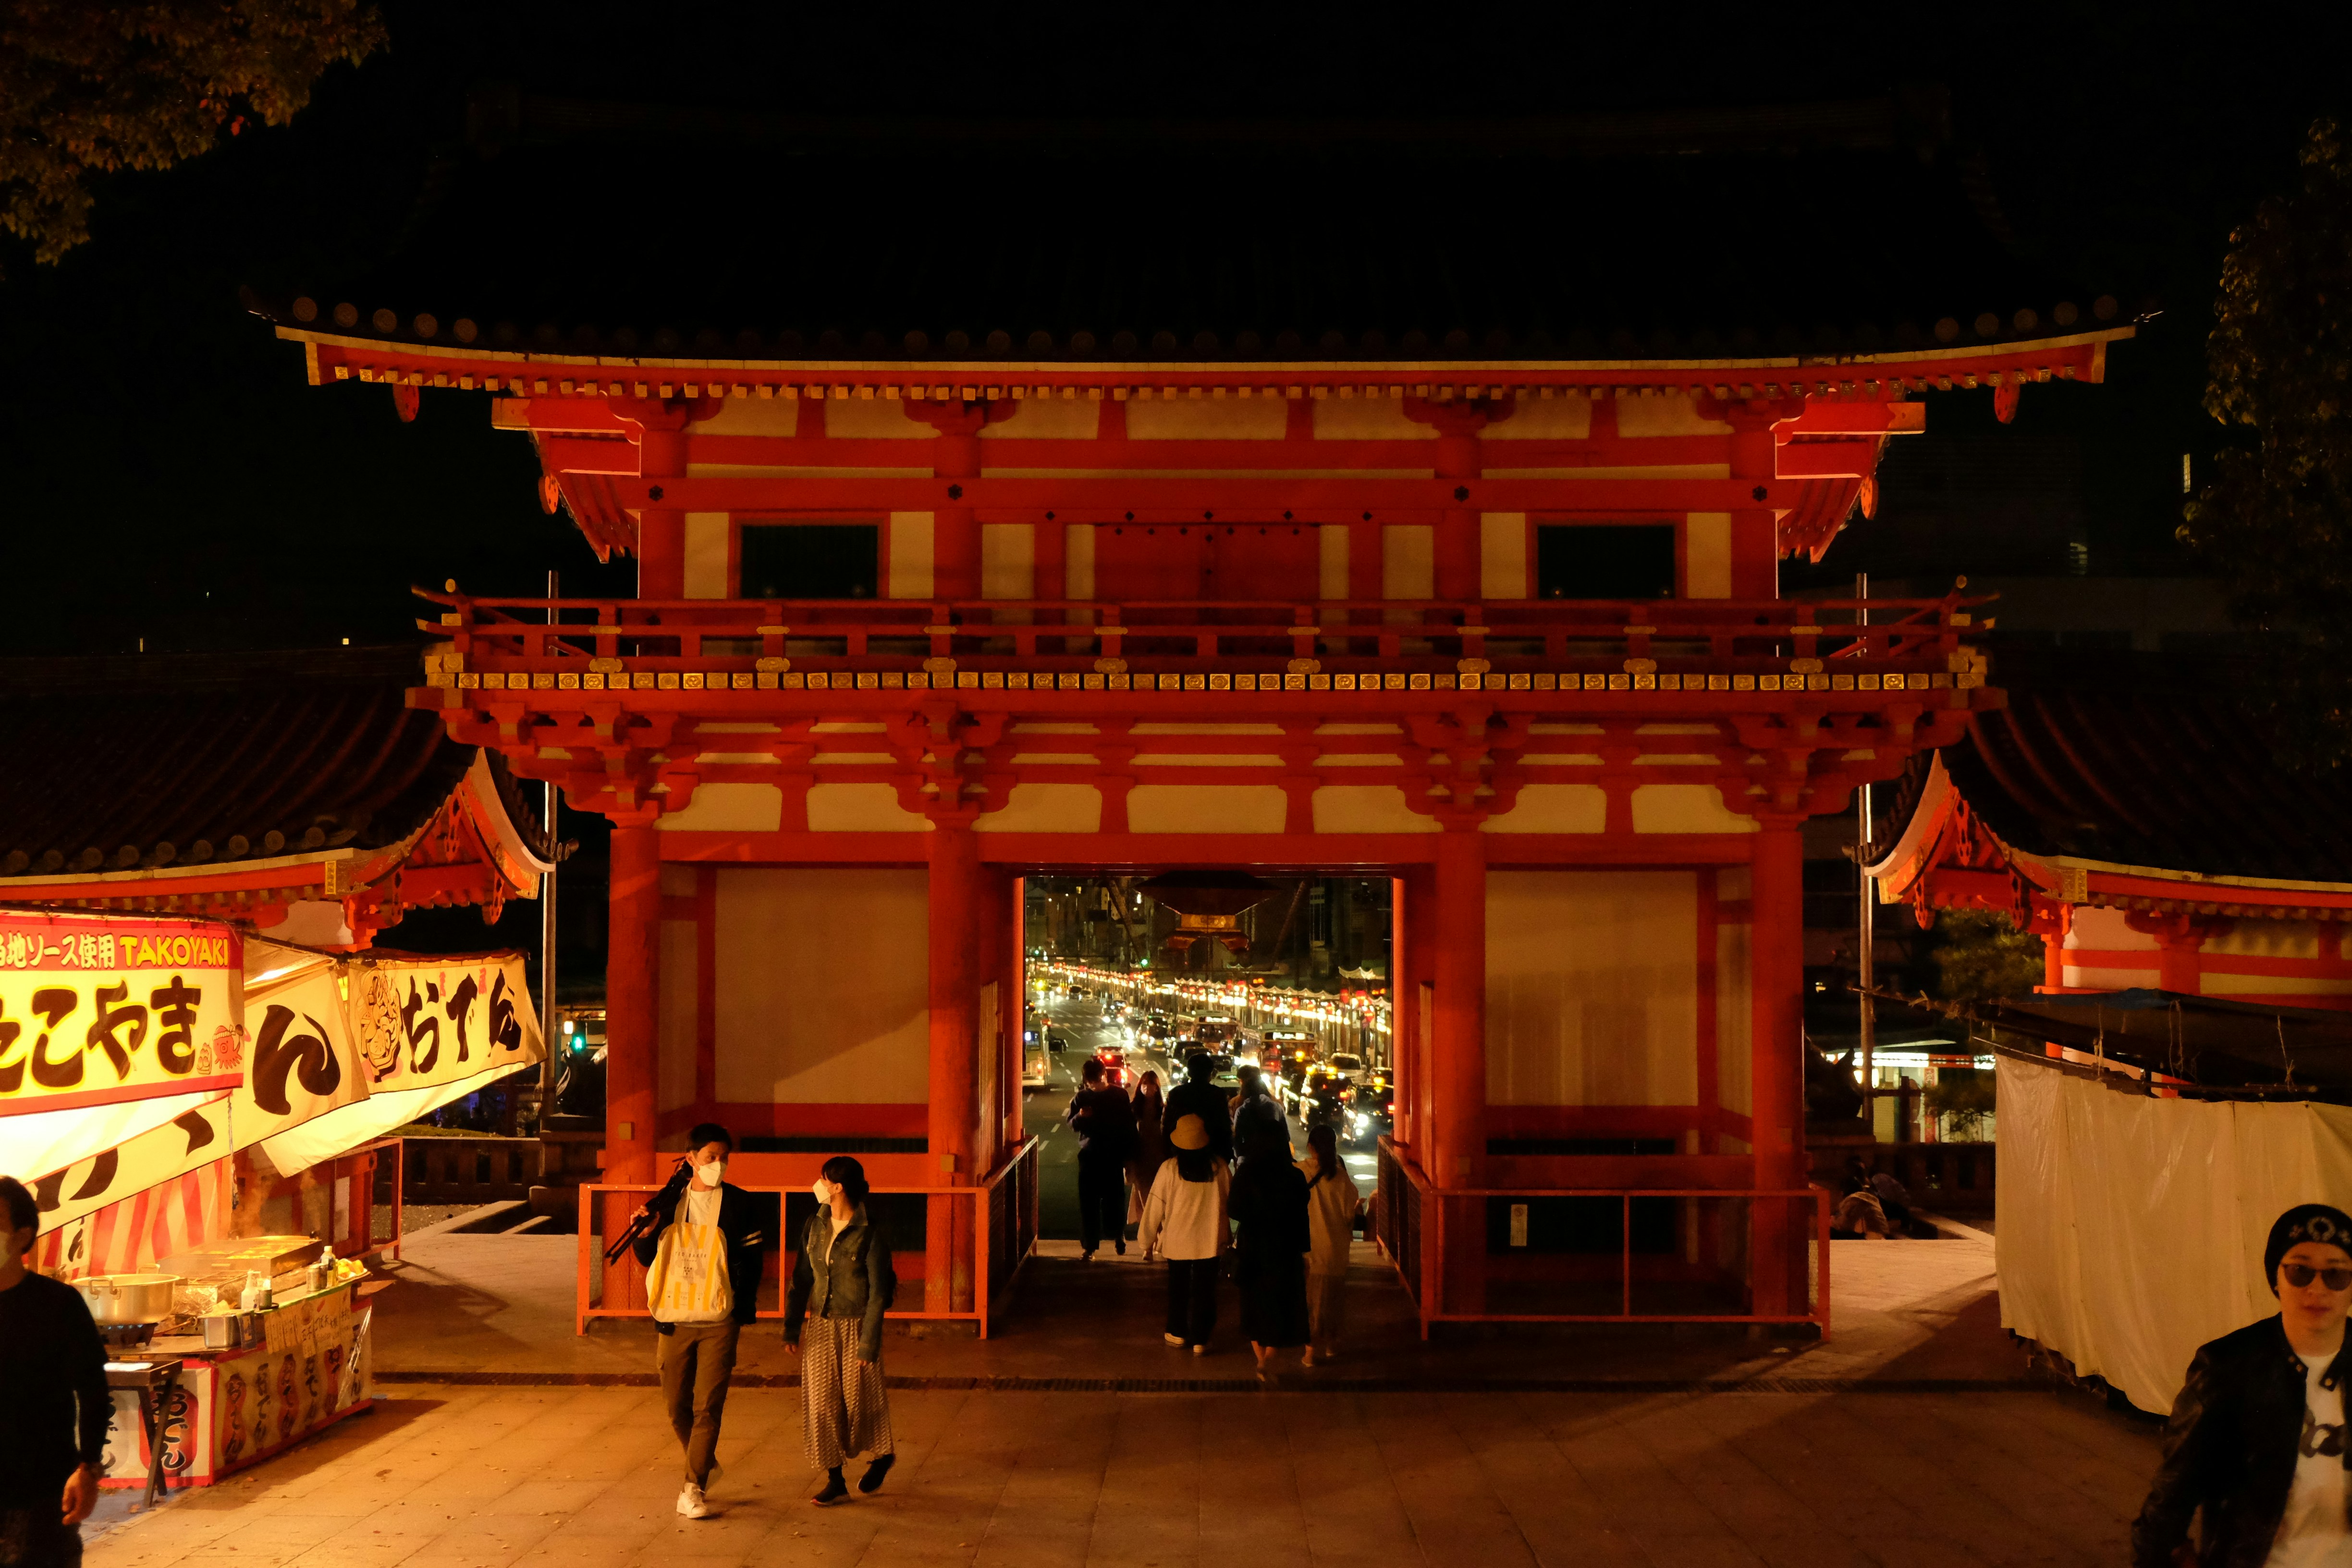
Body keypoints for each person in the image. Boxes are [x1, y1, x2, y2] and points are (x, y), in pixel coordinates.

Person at [2134, 1202, 2352, 1566]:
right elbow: (2172, 1495)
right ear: (2275, 1278)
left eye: (2337, 1275)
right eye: (2300, 1271)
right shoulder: (2229, 1367)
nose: (2318, 1288)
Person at [629, 1123, 767, 1521]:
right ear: (690, 1159)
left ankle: (693, 1487)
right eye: (711, 1158)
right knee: (676, 1407)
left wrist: (743, 1310)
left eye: (724, 1158)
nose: (719, 1165)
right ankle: (704, 1460)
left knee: (709, 1405)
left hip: (720, 1318)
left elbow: (753, 1262)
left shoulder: (740, 1205)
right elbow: (645, 1257)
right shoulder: (668, 1203)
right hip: (676, 1317)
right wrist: (646, 1232)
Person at [0, 1175, 107, 1568]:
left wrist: (88, 1468)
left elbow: (94, 1392)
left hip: (43, 1489)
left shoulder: (57, 1305)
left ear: (21, 1235)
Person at [784, 1156, 897, 1507]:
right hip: (820, 1323)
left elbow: (879, 1291)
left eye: (823, 1179)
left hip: (857, 1324)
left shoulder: (870, 1231)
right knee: (821, 1405)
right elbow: (802, 1277)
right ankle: (835, 1478)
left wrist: (869, 1344)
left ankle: (882, 1456)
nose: (818, 1184)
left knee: (859, 1400)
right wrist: (791, 1328)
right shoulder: (814, 1225)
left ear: (838, 1187)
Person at [1137, 1113, 1229, 1355]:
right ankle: (1201, 1338)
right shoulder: (1219, 1168)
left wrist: (1145, 1240)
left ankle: (1177, 1332)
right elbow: (1231, 1203)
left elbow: (1154, 1208)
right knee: (1205, 1291)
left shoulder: (1169, 1169)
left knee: (1178, 1289)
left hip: (1177, 1241)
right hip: (1210, 1242)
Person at [1229, 1127, 1311, 1377]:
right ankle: (1270, 1356)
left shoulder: (1246, 1174)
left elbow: (1233, 1209)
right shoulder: (1294, 1176)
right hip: (1286, 1248)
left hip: (1253, 1246)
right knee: (1281, 1303)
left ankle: (1261, 1359)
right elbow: (1302, 1215)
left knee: (1254, 1305)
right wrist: (1304, 1250)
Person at [1064, 1056, 1136, 1260]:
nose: (1094, 1086)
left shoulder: (1120, 1095)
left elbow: (1129, 1127)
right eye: (1090, 1083)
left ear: (1104, 1075)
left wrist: (1130, 1158)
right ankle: (1090, 1246)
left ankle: (1117, 1235)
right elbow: (1071, 1124)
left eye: (1096, 1081)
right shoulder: (1081, 1098)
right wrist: (1080, 1116)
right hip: (1090, 1155)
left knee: (1114, 1200)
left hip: (1113, 1156)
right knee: (1089, 1203)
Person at [1300, 1124, 1360, 1368]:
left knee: (1313, 1302)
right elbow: (1350, 1213)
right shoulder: (1341, 1176)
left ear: (1310, 1147)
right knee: (1334, 1300)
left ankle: (1310, 1352)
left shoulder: (1301, 1171)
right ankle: (1333, 1343)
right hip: (1335, 1249)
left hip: (1310, 1247)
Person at [1163, 1051, 1235, 1165]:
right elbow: (1227, 1127)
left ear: (1189, 1073)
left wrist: (1168, 1153)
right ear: (1211, 1073)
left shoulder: (1175, 1094)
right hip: (1213, 1157)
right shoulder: (1220, 1095)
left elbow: (1166, 1125)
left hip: (1180, 1155)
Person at [1127, 1071, 1171, 1229]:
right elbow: (1127, 1136)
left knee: (1160, 1201)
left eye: (1152, 1084)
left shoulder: (1164, 1110)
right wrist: (1128, 1164)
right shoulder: (1133, 1110)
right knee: (1146, 1203)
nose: (1148, 1088)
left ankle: (1156, 1237)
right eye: (1144, 1084)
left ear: (1157, 1088)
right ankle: (1150, 1244)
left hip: (1160, 1162)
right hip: (1140, 1163)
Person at [1232, 1064, 1288, 1157]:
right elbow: (1285, 1135)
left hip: (1248, 1160)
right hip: (1273, 1158)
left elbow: (1236, 1138)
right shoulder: (1276, 1104)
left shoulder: (1237, 1104)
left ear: (1242, 1082)